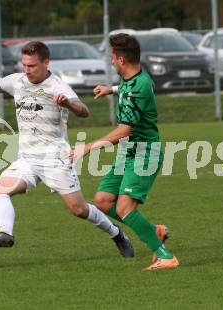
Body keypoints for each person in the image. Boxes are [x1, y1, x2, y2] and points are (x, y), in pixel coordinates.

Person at [0, 41, 134, 258]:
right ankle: (5, 234)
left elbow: (84, 111)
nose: (27, 70)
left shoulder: (57, 86)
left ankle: (117, 234)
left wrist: (68, 105)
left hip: (55, 158)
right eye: (24, 65)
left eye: (32, 66)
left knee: (79, 209)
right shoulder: (16, 81)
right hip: (27, 159)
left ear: (46, 62)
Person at [72, 33, 179, 271]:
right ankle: (154, 231)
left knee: (123, 208)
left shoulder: (135, 90)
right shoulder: (138, 78)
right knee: (103, 201)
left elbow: (123, 132)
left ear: (121, 60)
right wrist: (110, 89)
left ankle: (165, 256)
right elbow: (128, 87)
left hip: (144, 154)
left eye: (112, 58)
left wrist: (88, 147)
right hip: (129, 154)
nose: (111, 62)